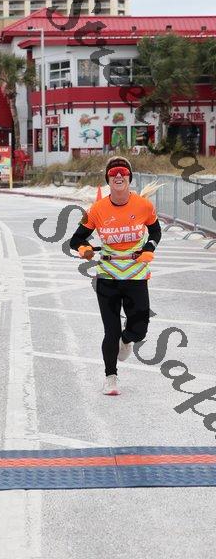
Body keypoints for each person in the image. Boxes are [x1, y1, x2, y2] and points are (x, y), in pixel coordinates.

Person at [70, 156, 162, 396]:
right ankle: (110, 378)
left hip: (136, 274)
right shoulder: (96, 209)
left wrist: (149, 247)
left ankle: (127, 339)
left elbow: (155, 231)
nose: (118, 175)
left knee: (140, 329)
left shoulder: (144, 206)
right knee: (110, 331)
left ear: (130, 177)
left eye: (122, 171)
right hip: (108, 275)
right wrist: (84, 249)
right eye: (113, 173)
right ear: (108, 179)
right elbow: (76, 239)